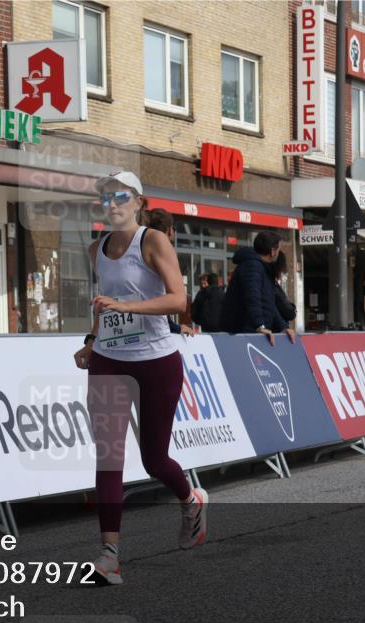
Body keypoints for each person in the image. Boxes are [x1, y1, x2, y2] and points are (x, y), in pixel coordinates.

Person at [73, 171, 208, 585]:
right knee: (109, 457)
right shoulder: (97, 248)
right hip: (110, 360)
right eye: (105, 198)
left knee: (153, 458)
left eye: (120, 197)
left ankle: (191, 500)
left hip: (155, 359)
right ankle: (109, 556)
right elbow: (103, 304)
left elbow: (178, 299)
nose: (112, 204)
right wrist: (93, 340)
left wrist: (125, 306)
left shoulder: (152, 240)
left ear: (138, 202)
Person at [219, 231, 295, 345]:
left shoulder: (264, 269)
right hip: (244, 334)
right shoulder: (252, 265)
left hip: (253, 332)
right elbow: (252, 296)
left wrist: (282, 327)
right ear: (273, 251)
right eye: (278, 249)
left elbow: (269, 304)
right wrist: (259, 325)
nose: (278, 253)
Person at [146, 208, 195, 336]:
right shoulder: (163, 249)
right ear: (169, 230)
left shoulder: (137, 246)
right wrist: (176, 328)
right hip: (154, 335)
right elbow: (173, 302)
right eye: (174, 229)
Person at [271, 252, 297, 332]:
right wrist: (292, 308)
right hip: (276, 331)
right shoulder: (272, 285)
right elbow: (288, 312)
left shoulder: (272, 284)